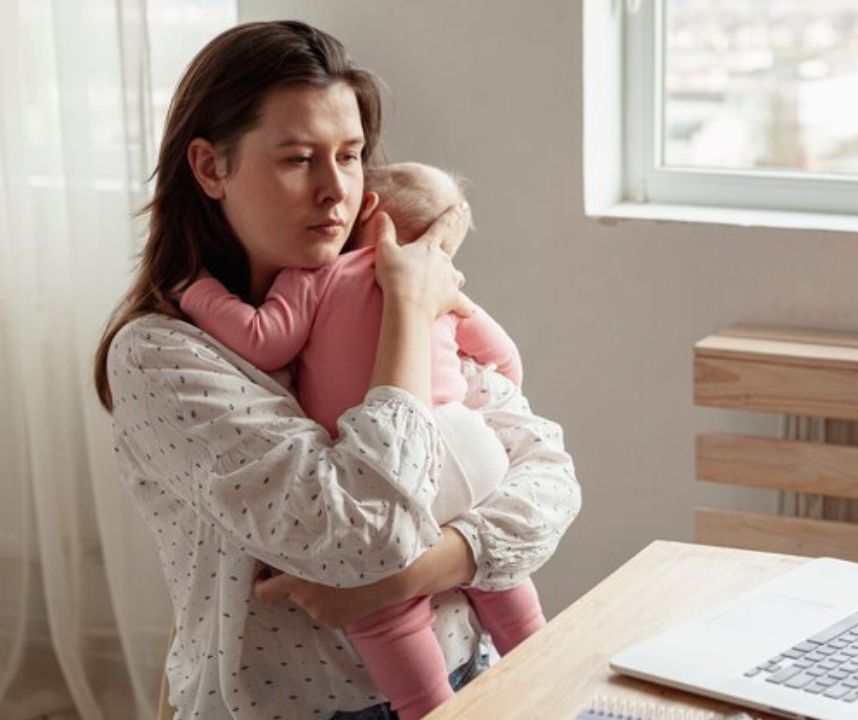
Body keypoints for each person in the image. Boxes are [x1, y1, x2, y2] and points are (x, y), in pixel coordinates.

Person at [92, 20, 580, 720]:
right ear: (209, 168)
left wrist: (406, 580)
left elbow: (551, 480)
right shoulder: (162, 356)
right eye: (297, 160)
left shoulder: (374, 291)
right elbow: (361, 534)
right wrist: (410, 311)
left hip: (476, 677)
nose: (335, 191)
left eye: (350, 157)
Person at [177, 163, 543, 716]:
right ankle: (542, 659)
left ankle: (427, 705)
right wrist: (466, 395)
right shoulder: (440, 287)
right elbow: (506, 360)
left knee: (380, 603)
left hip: (400, 452)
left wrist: (196, 290)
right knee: (499, 576)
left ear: (365, 208)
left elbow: (261, 340)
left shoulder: (318, 275)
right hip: (470, 443)